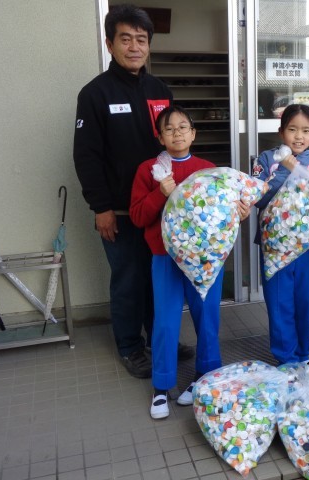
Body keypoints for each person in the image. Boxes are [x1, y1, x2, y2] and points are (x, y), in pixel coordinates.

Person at [73, 4, 193, 379]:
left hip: (162, 208)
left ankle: (161, 338)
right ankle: (130, 346)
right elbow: (86, 155)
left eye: (141, 39)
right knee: (128, 281)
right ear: (110, 44)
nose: (134, 46)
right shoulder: (95, 93)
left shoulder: (160, 90)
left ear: (149, 45)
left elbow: (175, 141)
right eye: (125, 39)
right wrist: (101, 207)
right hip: (121, 211)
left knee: (160, 278)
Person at [130, 105, 251, 419]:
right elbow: (138, 216)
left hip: (206, 260)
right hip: (165, 258)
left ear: (193, 133)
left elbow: (224, 213)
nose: (177, 133)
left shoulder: (208, 169)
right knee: (166, 321)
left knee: (207, 317)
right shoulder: (149, 170)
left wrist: (240, 213)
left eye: (183, 127)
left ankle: (205, 376)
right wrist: (160, 192)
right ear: (160, 137)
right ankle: (161, 386)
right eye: (169, 129)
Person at [252, 104, 309, 366]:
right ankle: (286, 357)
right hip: (275, 246)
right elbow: (257, 197)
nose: (299, 136)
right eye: (292, 129)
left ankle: (304, 354)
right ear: (281, 132)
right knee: (280, 303)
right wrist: (289, 169)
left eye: (305, 130)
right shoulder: (266, 159)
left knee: (307, 301)